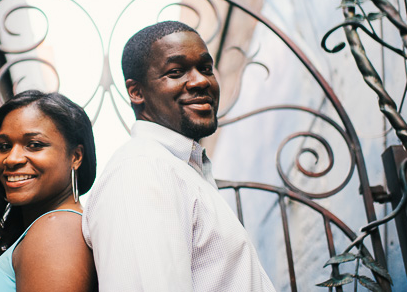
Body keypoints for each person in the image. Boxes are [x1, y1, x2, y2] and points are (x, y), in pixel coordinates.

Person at [83, 21, 276, 291]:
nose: (201, 81)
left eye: (206, 69)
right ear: (136, 92)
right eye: (176, 72)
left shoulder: (180, 169)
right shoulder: (141, 172)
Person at [0, 90, 98, 292]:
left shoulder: (57, 229)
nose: (12, 159)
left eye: (34, 145)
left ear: (76, 156)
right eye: (4, 146)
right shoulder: (52, 229)